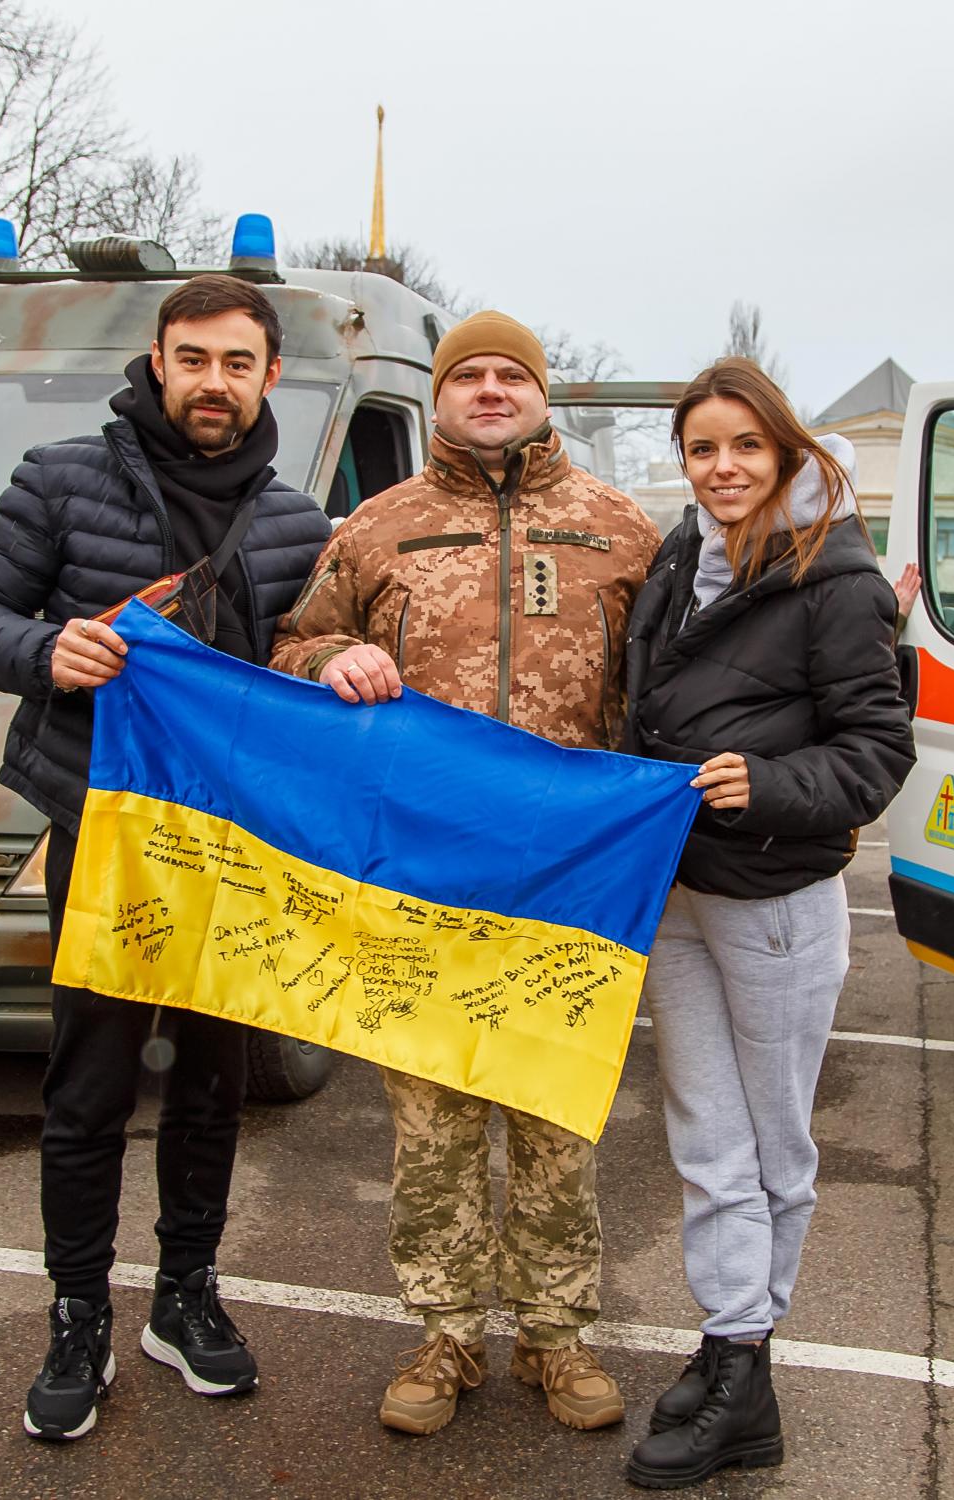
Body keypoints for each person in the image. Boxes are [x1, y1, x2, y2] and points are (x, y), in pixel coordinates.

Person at [0, 276, 331, 1441]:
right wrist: (44, 650)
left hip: (231, 851)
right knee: (92, 1085)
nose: (217, 381)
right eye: (196, 358)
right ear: (159, 362)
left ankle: (185, 1296)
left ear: (270, 377)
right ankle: (76, 1313)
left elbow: (309, 661)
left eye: (239, 363)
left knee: (214, 1083)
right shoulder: (62, 478)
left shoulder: (300, 523)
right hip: (101, 833)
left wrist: (342, 664)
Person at [271, 309, 661, 1437]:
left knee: (553, 1114)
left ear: (542, 394)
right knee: (432, 1119)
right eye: (469, 376)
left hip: (566, 880)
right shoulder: (381, 526)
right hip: (421, 879)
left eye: (511, 375)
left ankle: (557, 1337)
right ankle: (445, 1336)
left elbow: (671, 684)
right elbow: (293, 645)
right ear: (439, 398)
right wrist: (329, 653)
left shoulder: (620, 528)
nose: (491, 391)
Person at [621, 358, 915, 1489]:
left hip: (778, 895)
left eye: (746, 445)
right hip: (681, 891)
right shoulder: (679, 555)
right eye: (703, 448)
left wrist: (773, 786)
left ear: (785, 450)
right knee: (706, 1131)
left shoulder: (833, 577)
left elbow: (876, 749)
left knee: (773, 1140)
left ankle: (746, 1365)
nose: (724, 467)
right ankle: (730, 1338)